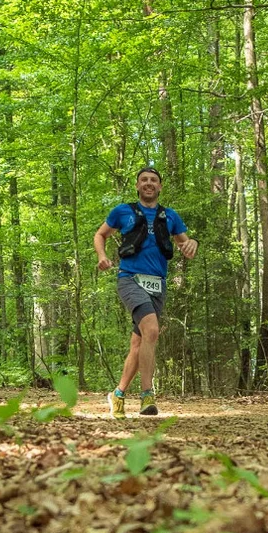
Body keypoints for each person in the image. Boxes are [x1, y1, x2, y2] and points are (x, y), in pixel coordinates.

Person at [94, 166, 198, 418]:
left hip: (157, 283)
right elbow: (101, 234)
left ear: (160, 186)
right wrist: (102, 256)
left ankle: (117, 395)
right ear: (138, 186)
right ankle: (147, 396)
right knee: (151, 329)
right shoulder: (123, 212)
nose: (149, 183)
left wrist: (191, 243)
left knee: (139, 342)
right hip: (129, 279)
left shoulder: (170, 216)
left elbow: (184, 242)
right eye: (144, 180)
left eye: (153, 180)